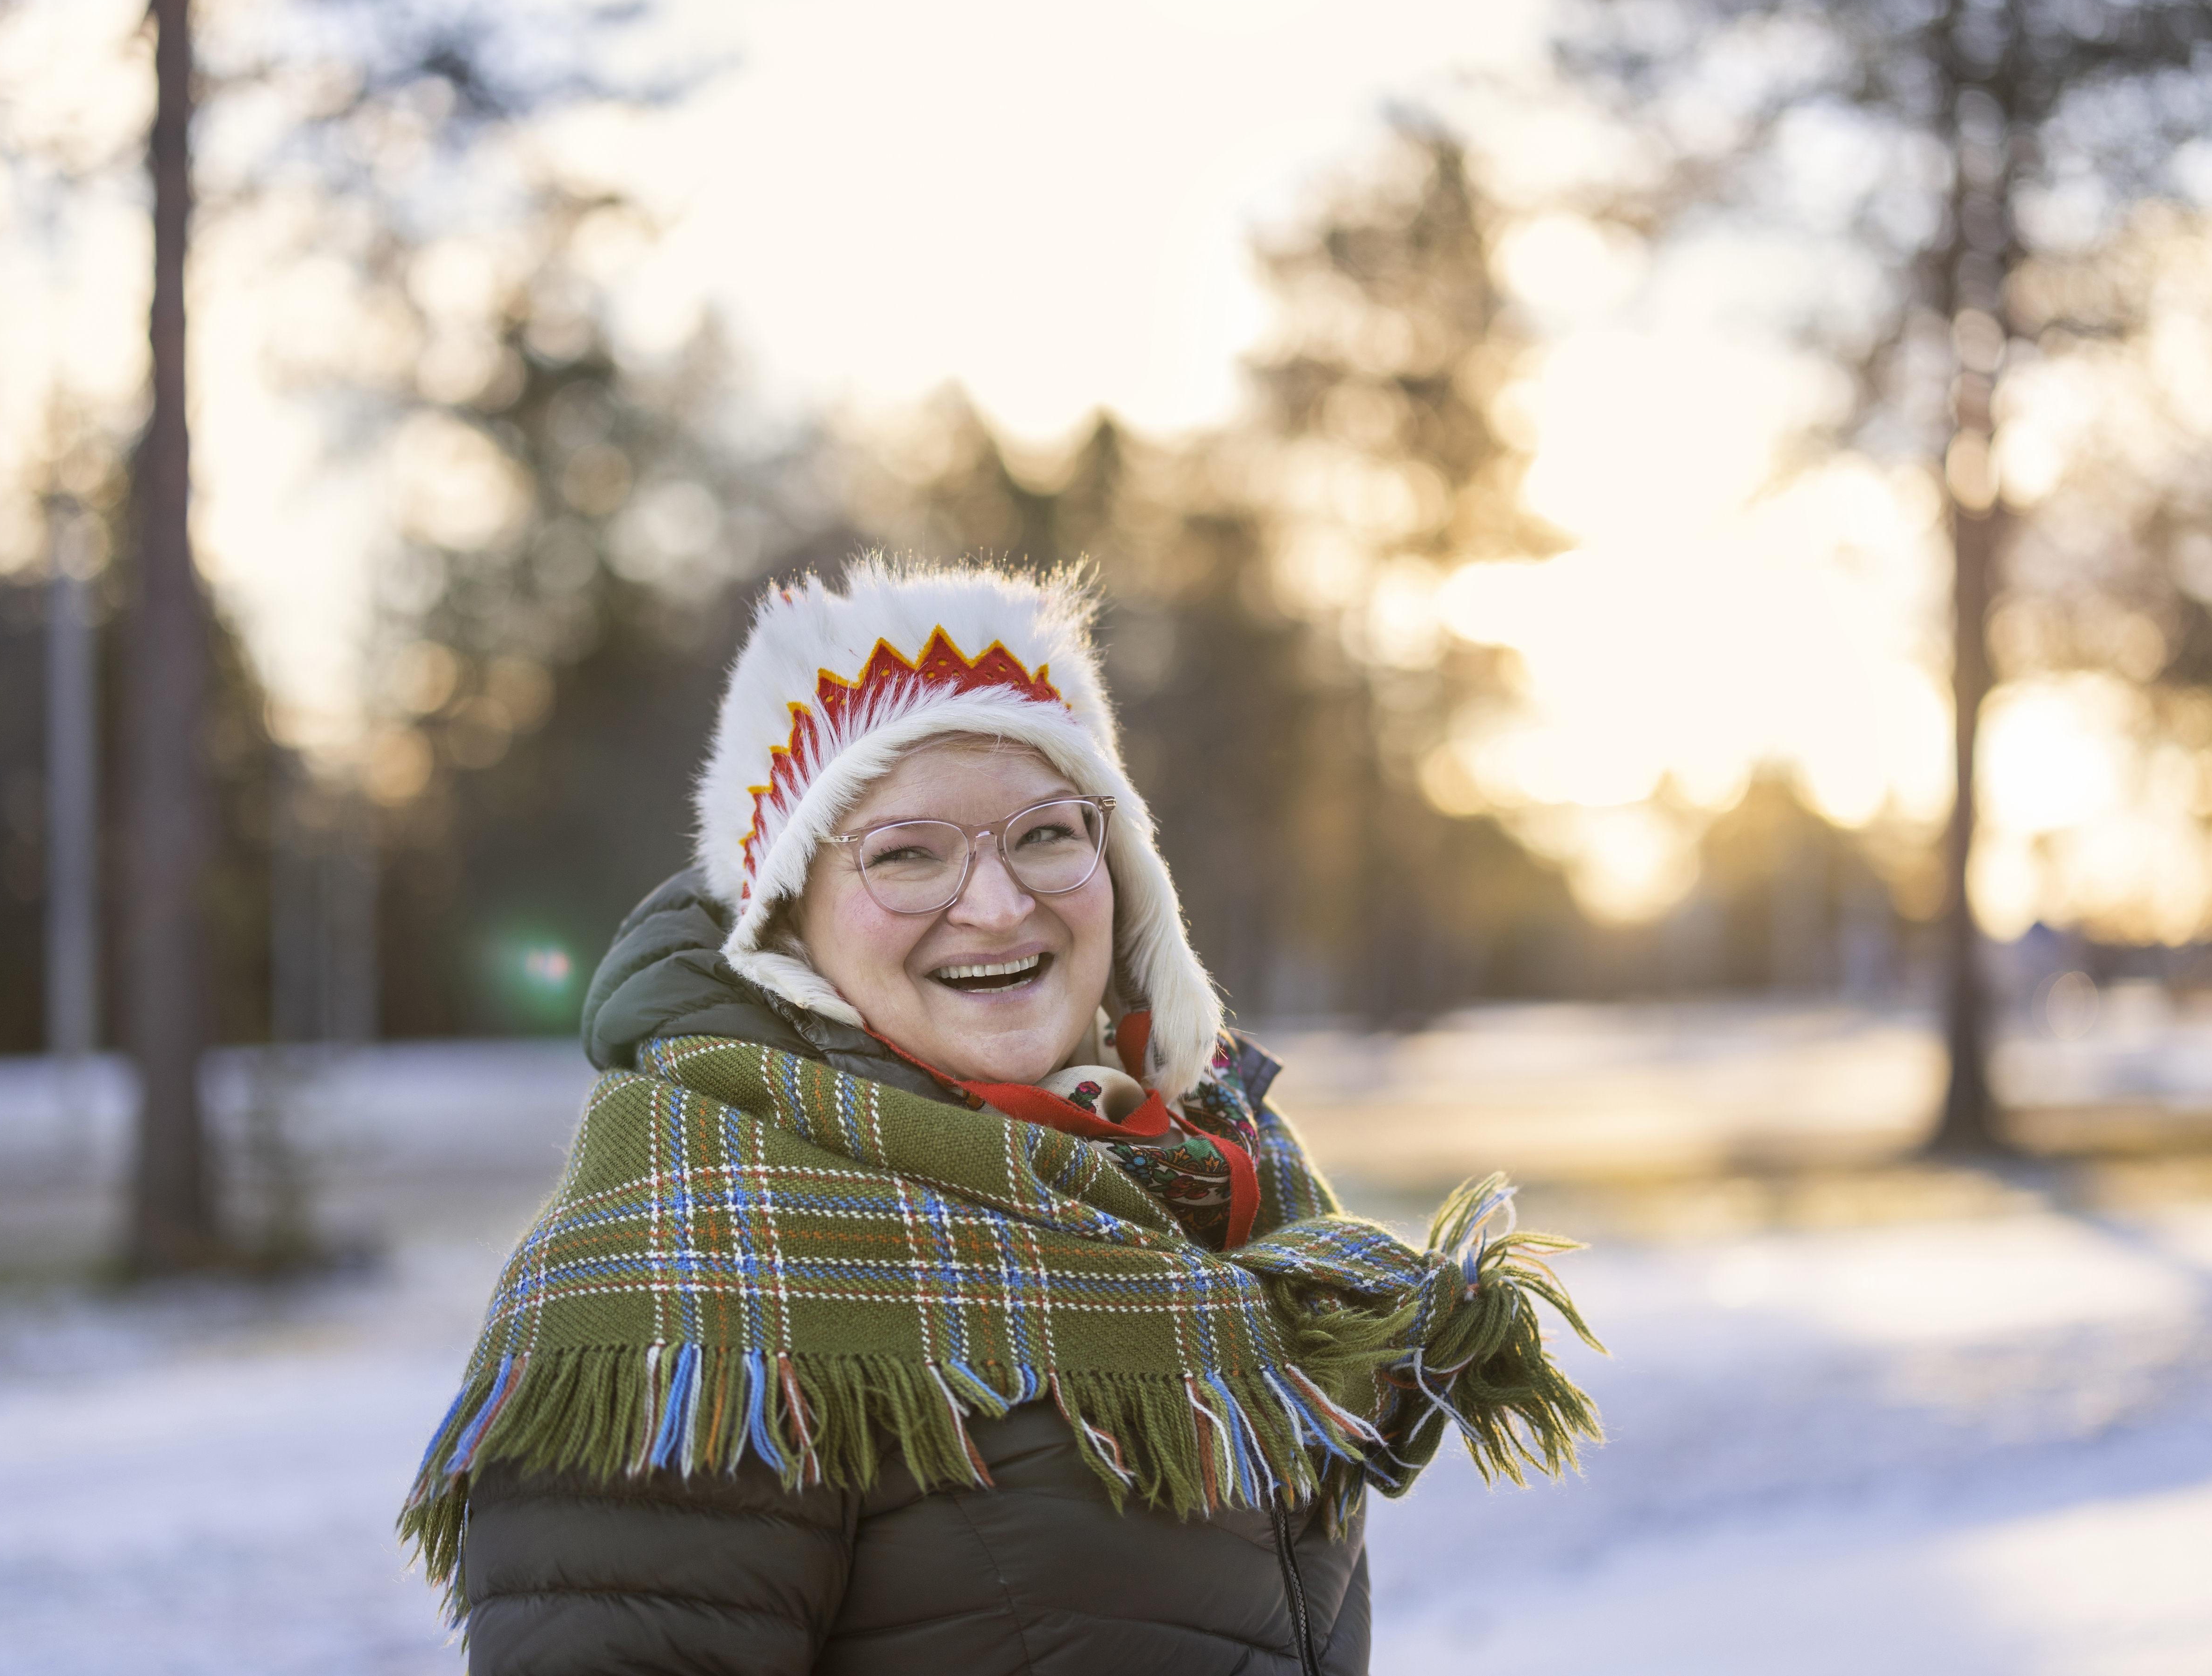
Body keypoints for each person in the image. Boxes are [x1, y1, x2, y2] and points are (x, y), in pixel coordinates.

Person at [402, 560, 1598, 1676]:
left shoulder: (1189, 1185)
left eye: (1044, 835)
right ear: (787, 922)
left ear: (1121, 870)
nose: (995, 901)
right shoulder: (696, 1274)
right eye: (908, 855)